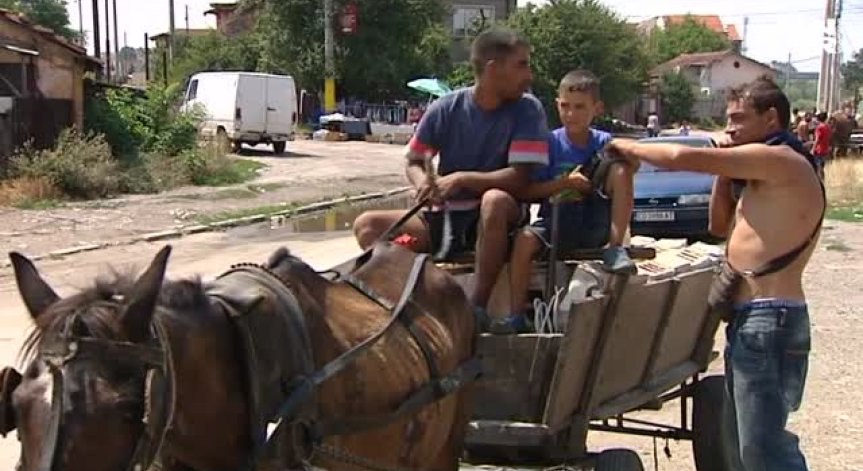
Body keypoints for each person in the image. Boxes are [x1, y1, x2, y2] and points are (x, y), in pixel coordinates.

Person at [606, 76, 822, 471]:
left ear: (771, 119)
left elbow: (681, 159)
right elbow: (719, 226)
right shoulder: (758, 173)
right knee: (742, 448)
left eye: (739, 119)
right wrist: (726, 172)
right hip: (752, 318)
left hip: (770, 317)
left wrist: (625, 145)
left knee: (764, 451)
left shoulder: (783, 160)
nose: (729, 129)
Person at [352, 28, 549, 324]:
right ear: (493, 69)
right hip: (442, 219)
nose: (529, 75)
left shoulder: (527, 110)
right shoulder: (446, 108)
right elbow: (415, 160)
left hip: (496, 220)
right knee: (367, 226)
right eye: (521, 65)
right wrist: (423, 183)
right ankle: (400, 305)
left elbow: (519, 178)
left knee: (493, 201)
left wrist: (461, 179)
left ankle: (477, 308)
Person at [501, 70, 636, 333]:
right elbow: (529, 190)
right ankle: (516, 314)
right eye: (565, 106)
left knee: (621, 170)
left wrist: (630, 162)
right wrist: (565, 184)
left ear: (597, 108)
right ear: (557, 104)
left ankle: (616, 247)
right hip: (557, 223)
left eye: (579, 107)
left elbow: (626, 170)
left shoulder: (604, 142)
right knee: (524, 241)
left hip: (593, 223)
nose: (571, 114)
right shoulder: (549, 142)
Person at [812, 111, 833, 178]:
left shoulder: (819, 127)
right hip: (825, 148)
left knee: (818, 165)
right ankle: (822, 179)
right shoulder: (827, 127)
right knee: (822, 165)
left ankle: (820, 179)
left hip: (819, 149)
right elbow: (830, 137)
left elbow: (817, 139)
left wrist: (813, 149)